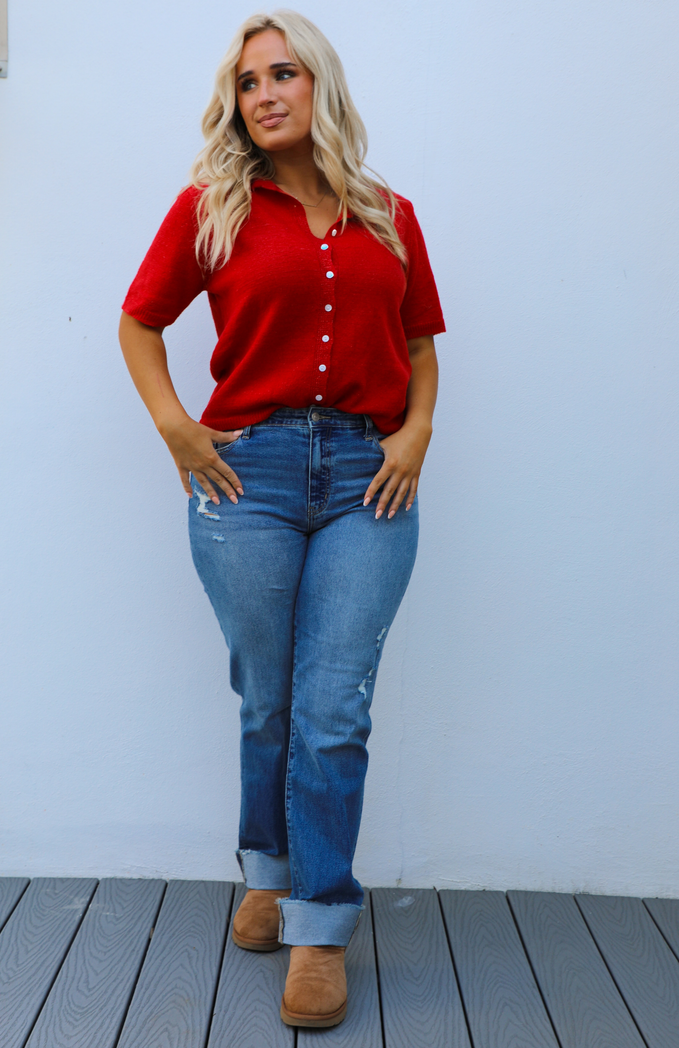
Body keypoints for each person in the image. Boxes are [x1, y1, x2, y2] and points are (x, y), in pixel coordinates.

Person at [119, 8, 444, 1029]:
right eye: (249, 81)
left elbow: (420, 344)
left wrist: (416, 431)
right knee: (268, 698)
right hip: (244, 478)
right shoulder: (209, 209)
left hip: (367, 481)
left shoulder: (389, 214)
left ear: (320, 85)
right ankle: (266, 870)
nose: (265, 93)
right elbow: (138, 321)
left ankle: (317, 927)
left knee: (332, 707)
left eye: (284, 73)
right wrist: (176, 428)